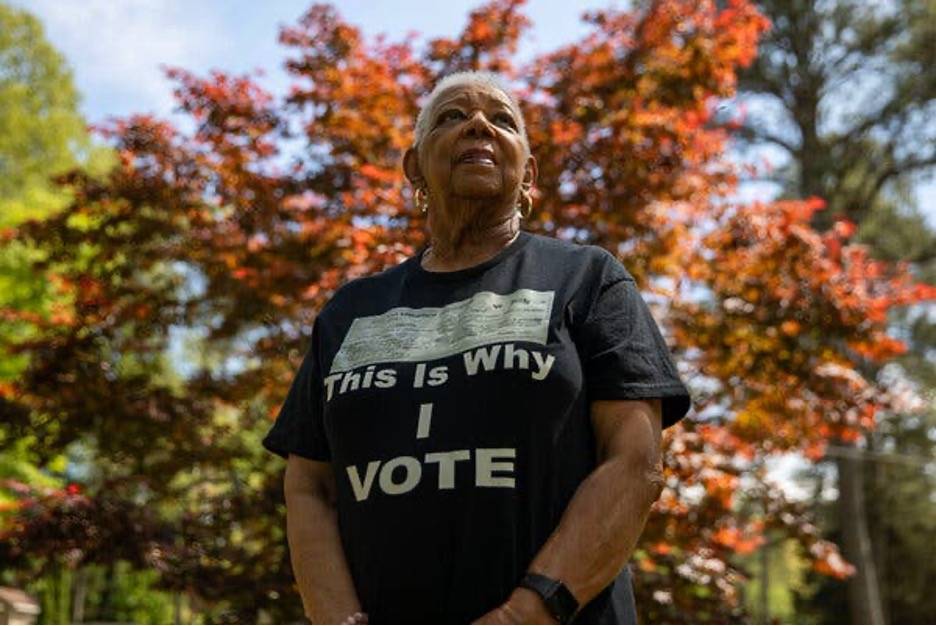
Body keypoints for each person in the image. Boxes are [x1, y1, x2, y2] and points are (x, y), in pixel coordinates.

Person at [262, 70, 693, 625]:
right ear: (414, 167)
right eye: (451, 117)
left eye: (503, 120)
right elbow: (309, 487)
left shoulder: (586, 279)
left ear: (528, 173)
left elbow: (635, 461)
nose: (479, 126)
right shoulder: (350, 312)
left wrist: (525, 613)